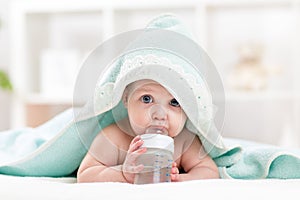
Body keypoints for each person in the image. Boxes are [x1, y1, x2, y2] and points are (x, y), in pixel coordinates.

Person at [77, 79, 219, 183]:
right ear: (126, 99)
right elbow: (85, 174)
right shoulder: (114, 137)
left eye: (174, 102)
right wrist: (123, 174)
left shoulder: (184, 140)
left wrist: (180, 179)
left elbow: (210, 171)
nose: (159, 115)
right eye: (147, 99)